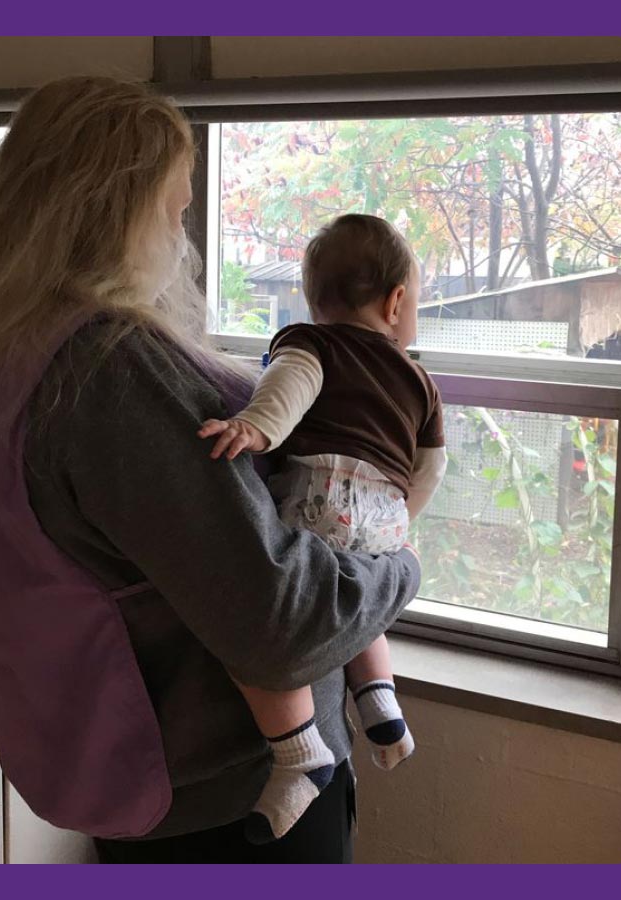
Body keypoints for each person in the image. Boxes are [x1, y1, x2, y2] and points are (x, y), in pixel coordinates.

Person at [0, 76, 416, 863]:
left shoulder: (1, 345)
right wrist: (399, 569)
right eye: (176, 211)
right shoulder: (108, 370)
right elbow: (281, 623)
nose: (183, 241)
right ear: (115, 213)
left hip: (136, 779)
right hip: (234, 807)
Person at [196, 214, 442, 842]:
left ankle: (297, 747)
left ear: (314, 298)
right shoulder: (419, 380)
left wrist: (256, 428)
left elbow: (291, 386)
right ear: (395, 303)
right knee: (359, 609)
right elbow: (431, 465)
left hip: (318, 496)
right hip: (386, 516)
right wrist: (399, 523)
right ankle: (381, 704)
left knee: (253, 628)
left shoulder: (313, 342)